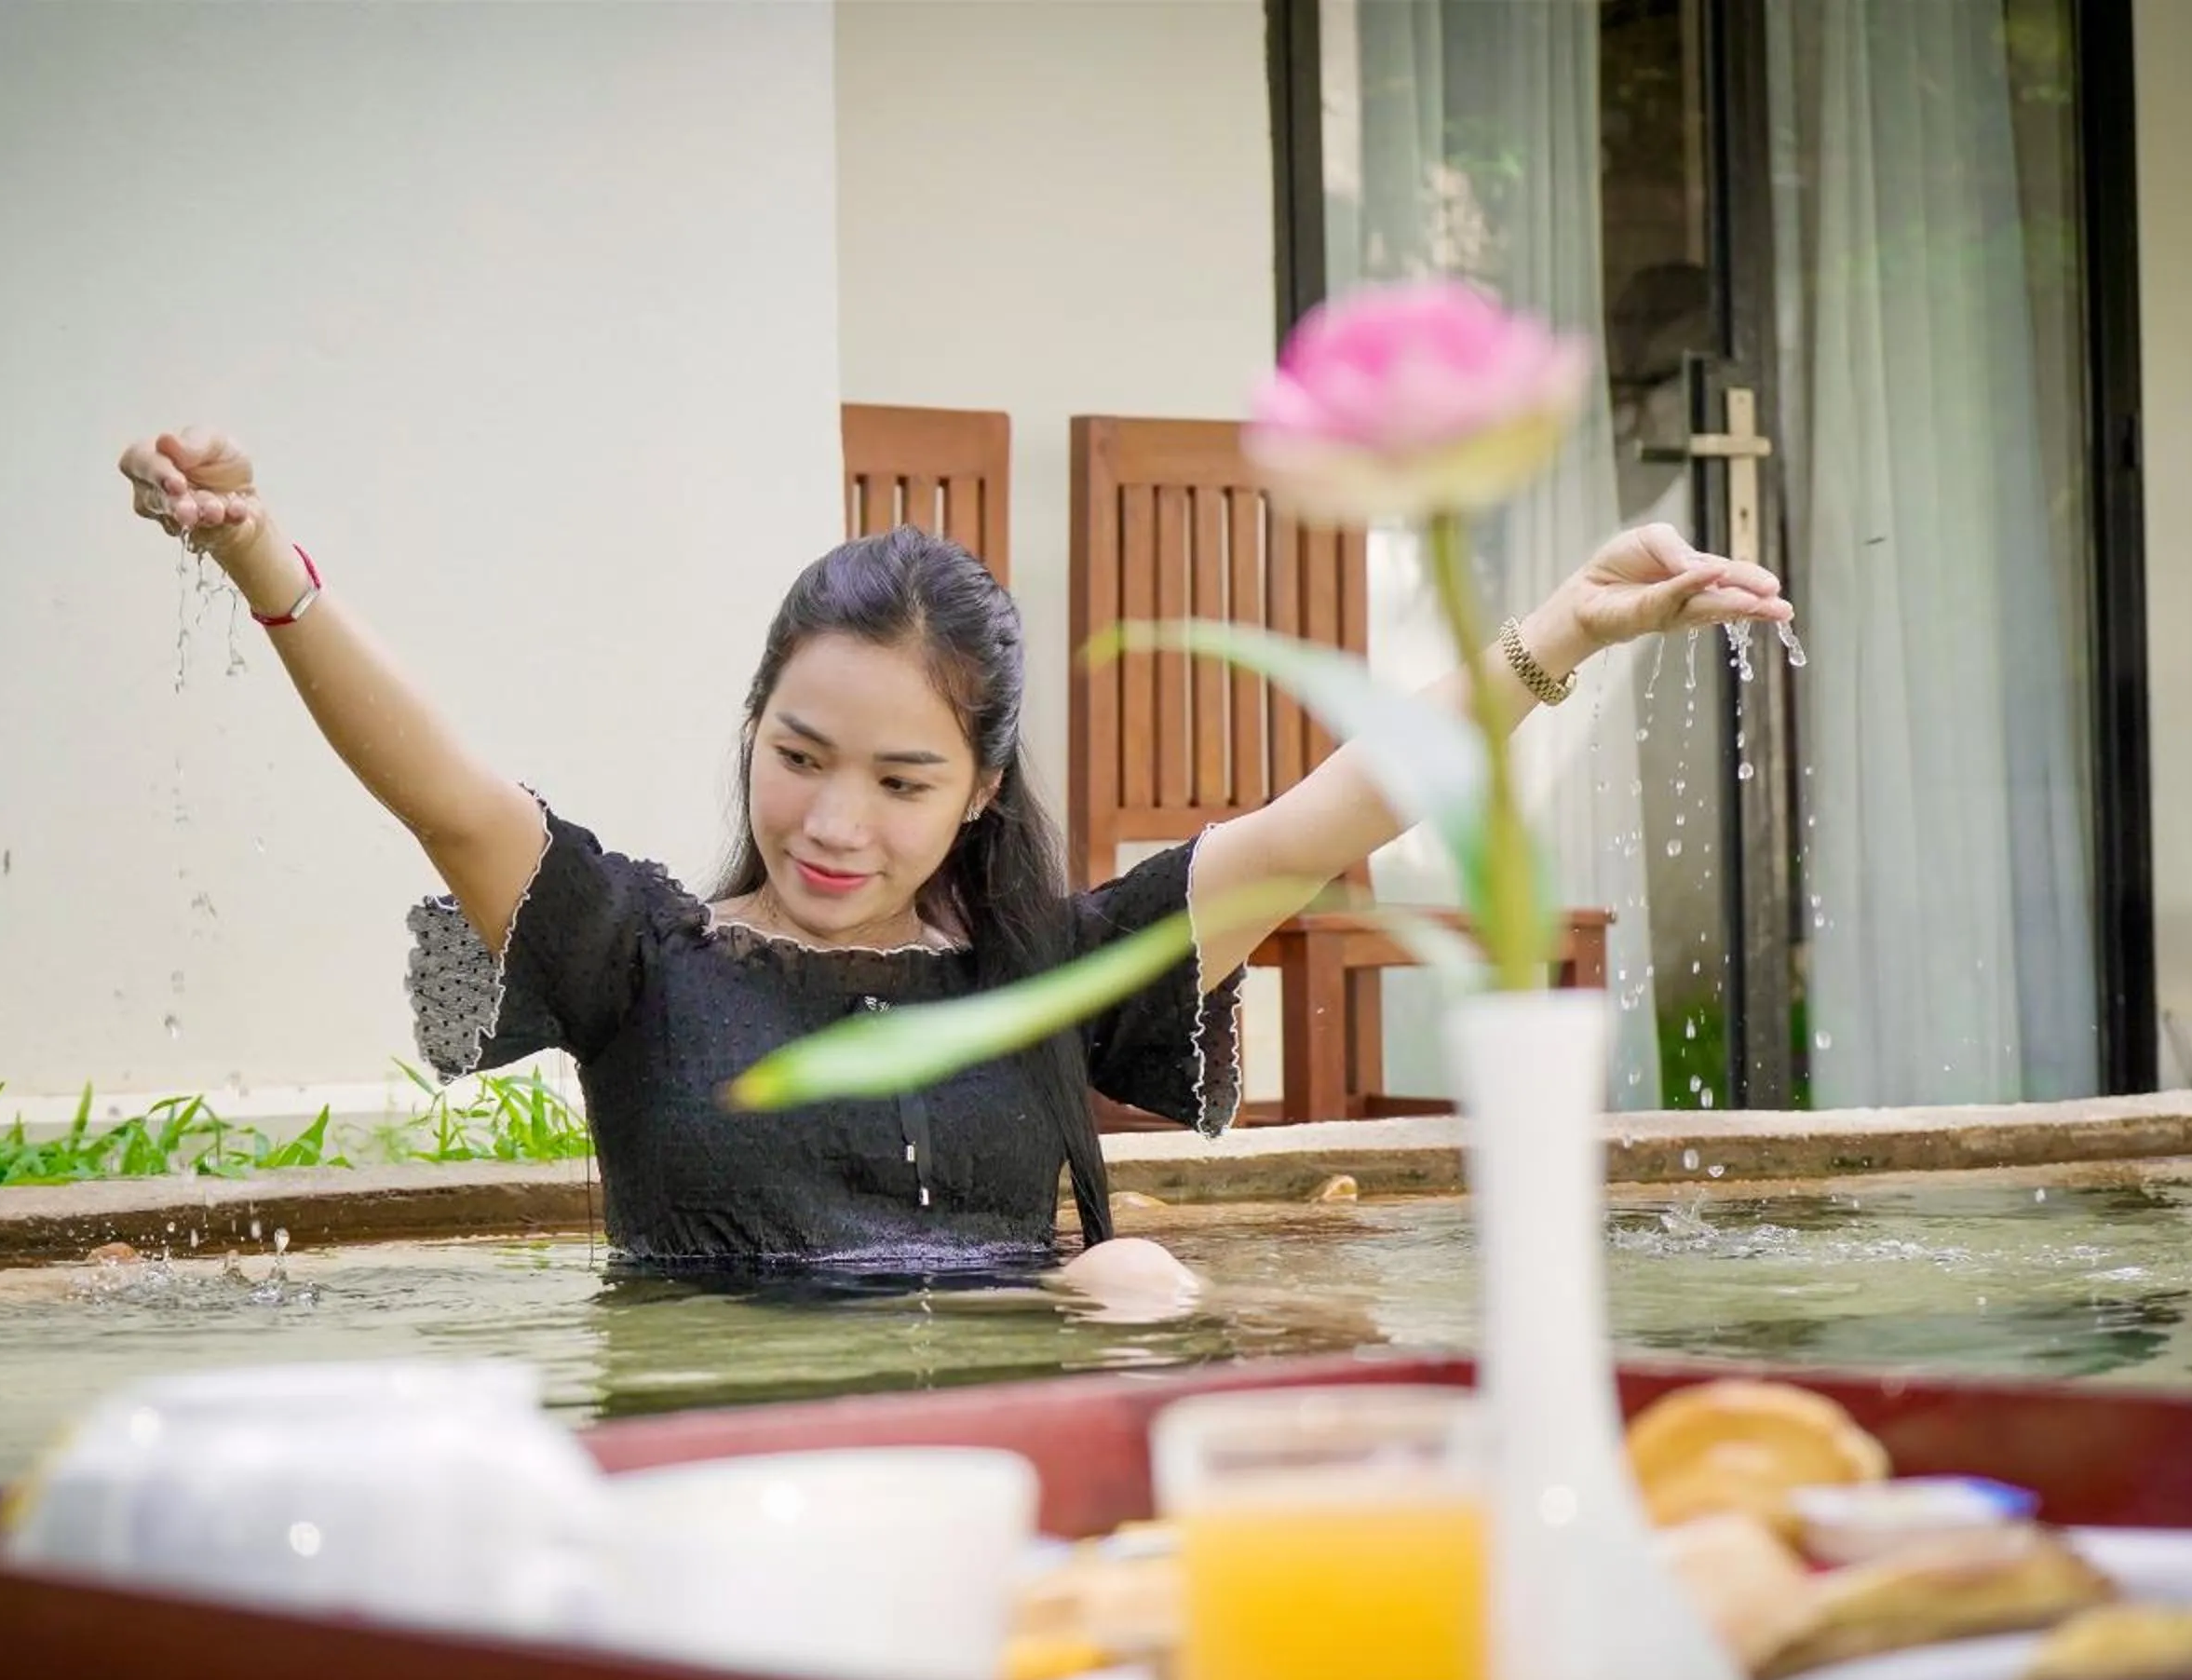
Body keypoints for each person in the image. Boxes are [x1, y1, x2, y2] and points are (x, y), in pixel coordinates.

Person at [116, 428, 1789, 1282]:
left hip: (1011, 1465)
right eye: (799, 758)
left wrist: (1564, 630)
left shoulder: (1054, 968)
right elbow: (454, 797)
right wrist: (265, 552)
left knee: (1132, 1279)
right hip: (717, 1467)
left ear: (980, 788)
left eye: (902, 781)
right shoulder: (639, 957)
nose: (838, 823)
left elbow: (1328, 813)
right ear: (754, 727)